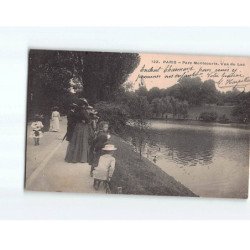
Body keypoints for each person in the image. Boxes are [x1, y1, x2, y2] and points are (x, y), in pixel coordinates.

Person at [65, 98, 93, 163]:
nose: (85, 106)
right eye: (85, 104)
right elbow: (88, 120)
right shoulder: (83, 111)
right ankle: (81, 158)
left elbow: (76, 118)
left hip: (77, 127)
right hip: (83, 127)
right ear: (83, 104)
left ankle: (74, 158)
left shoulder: (77, 110)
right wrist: (87, 120)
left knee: (76, 141)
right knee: (82, 141)